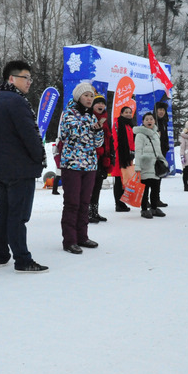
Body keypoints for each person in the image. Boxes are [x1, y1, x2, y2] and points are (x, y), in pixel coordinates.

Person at [0, 60, 48, 272]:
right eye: (26, 78)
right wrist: (38, 158)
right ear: (12, 79)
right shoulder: (16, 101)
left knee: (3, 210)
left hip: (1, 166)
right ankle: (22, 259)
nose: (29, 82)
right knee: (18, 215)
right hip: (20, 167)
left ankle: (1, 253)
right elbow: (29, 134)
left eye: (30, 78)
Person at [57, 83, 104, 253]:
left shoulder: (92, 116)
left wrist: (98, 131)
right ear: (78, 97)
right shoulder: (68, 113)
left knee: (85, 202)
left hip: (90, 165)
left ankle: (82, 236)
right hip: (72, 164)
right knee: (72, 203)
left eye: (91, 96)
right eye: (86, 95)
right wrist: (91, 128)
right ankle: (69, 240)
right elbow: (68, 133)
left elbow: (98, 143)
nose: (90, 99)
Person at [134, 111, 168, 219]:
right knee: (145, 189)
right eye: (147, 119)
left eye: (151, 119)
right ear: (143, 122)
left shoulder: (155, 134)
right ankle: (144, 209)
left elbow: (158, 151)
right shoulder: (140, 135)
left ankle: (154, 208)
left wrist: (163, 161)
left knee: (155, 187)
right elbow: (138, 151)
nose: (149, 121)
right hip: (145, 165)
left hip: (155, 166)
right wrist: (138, 167)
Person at [88, 94, 114, 223]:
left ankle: (94, 211)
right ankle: (87, 213)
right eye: (98, 103)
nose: (101, 106)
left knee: (98, 185)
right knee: (90, 186)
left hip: (103, 157)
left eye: (103, 104)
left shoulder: (105, 119)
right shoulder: (89, 118)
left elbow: (108, 139)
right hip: (91, 156)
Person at [111, 105, 135, 212]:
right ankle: (118, 204)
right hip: (119, 156)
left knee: (125, 180)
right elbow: (115, 140)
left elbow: (132, 141)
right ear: (121, 114)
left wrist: (132, 152)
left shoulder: (130, 125)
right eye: (126, 112)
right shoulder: (117, 124)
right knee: (118, 180)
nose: (128, 114)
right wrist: (118, 154)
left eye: (130, 112)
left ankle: (123, 202)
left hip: (128, 156)